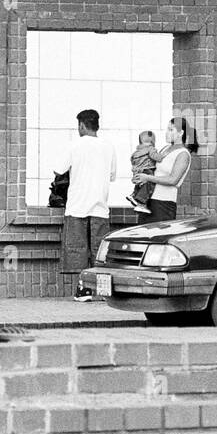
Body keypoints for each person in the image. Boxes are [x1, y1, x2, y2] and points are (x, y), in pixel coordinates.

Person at [53, 108, 117, 301]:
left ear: (81, 125)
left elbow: (58, 170)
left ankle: (84, 290)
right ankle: (104, 291)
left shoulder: (75, 145)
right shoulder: (109, 146)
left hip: (77, 204)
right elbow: (112, 176)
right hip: (100, 205)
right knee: (100, 250)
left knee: (77, 249)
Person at [133, 116, 197, 224]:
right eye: (167, 129)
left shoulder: (183, 154)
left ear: (181, 133)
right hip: (148, 201)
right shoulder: (165, 149)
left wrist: (148, 178)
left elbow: (173, 180)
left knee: (157, 239)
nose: (167, 133)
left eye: (171, 130)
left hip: (164, 204)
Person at [126, 130, 165, 214]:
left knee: (141, 185)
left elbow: (132, 160)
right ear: (152, 141)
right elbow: (155, 157)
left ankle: (133, 195)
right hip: (147, 169)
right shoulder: (150, 148)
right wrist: (162, 156)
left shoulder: (137, 152)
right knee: (149, 183)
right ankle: (141, 204)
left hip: (137, 170)